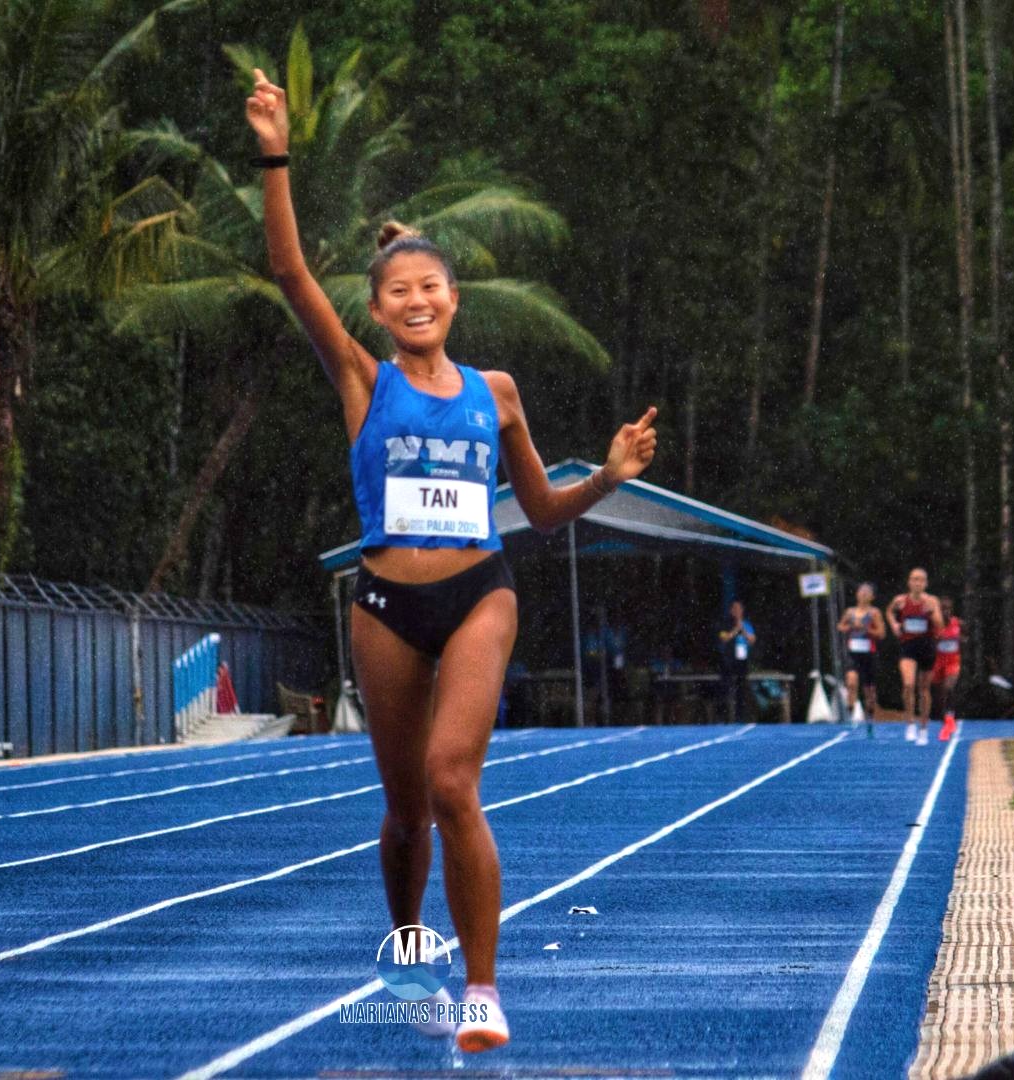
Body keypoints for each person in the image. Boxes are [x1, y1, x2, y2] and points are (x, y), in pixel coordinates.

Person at [245, 70, 658, 1053]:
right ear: (382, 311)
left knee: (451, 782)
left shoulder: (499, 393)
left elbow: (546, 514)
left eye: (433, 288)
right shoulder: (363, 379)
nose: (418, 300)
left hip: (480, 592)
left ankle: (482, 989)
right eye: (400, 292)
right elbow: (293, 274)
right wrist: (274, 153)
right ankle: (408, 945)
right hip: (385, 602)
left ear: (454, 300)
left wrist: (606, 475)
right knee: (400, 816)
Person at [887, 568, 945, 745]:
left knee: (924, 689)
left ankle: (924, 727)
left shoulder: (932, 601)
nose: (917, 582)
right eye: (914, 579)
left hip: (926, 646)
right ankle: (910, 723)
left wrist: (931, 612)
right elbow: (889, 612)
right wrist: (895, 625)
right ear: (909, 582)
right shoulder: (900, 600)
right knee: (908, 684)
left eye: (921, 580)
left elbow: (940, 626)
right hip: (908, 647)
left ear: (925, 583)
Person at [837, 583, 885, 723]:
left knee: (869, 689)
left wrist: (865, 628)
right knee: (851, 682)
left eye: (867, 592)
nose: (863, 594)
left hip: (869, 653)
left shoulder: (874, 613)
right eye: (861, 591)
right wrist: (851, 627)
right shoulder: (850, 612)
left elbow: (881, 633)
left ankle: (870, 715)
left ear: (872, 597)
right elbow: (840, 626)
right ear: (857, 594)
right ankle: (850, 715)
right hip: (853, 652)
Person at [717, 600, 756, 724]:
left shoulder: (747, 624)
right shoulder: (725, 624)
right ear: (731, 611)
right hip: (729, 661)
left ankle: (741, 717)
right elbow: (724, 638)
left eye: (739, 609)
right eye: (734, 609)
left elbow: (752, 640)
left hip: (742, 661)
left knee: (741, 689)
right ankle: (725, 717)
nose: (737, 612)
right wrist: (735, 630)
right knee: (726, 688)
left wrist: (742, 630)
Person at [930, 595, 962, 739]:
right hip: (937, 662)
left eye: (948, 609)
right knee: (939, 692)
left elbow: (966, 638)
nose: (945, 612)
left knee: (949, 687)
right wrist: (936, 639)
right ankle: (943, 717)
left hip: (953, 661)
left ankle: (950, 717)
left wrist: (961, 640)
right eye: (942, 609)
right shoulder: (934, 626)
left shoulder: (958, 623)